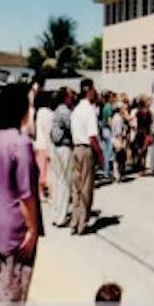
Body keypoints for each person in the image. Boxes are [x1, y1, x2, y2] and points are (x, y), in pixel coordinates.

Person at [0, 83, 44, 306]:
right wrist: (32, 229)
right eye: (29, 104)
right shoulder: (21, 143)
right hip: (16, 230)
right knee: (14, 294)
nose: (32, 109)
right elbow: (26, 194)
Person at [69, 79, 104, 236]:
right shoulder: (89, 110)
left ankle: (74, 221)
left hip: (75, 148)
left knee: (76, 187)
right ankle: (83, 223)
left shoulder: (76, 110)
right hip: (85, 149)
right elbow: (92, 137)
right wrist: (100, 155)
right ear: (89, 90)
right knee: (86, 188)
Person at [50, 87, 75, 228]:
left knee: (59, 181)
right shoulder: (65, 111)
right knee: (65, 182)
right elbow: (72, 127)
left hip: (56, 147)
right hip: (64, 147)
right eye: (71, 96)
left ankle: (56, 213)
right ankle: (62, 217)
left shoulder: (57, 110)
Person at [33, 91, 54, 200]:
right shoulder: (49, 114)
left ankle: (40, 193)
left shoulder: (39, 112)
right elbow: (48, 131)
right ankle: (49, 194)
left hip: (38, 144)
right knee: (48, 171)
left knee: (40, 170)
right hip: (46, 145)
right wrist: (50, 148)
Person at [100, 92, 116, 181]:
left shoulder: (104, 106)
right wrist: (113, 129)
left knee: (105, 151)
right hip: (107, 130)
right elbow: (109, 120)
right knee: (108, 152)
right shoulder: (109, 107)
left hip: (103, 130)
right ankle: (107, 171)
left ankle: (105, 170)